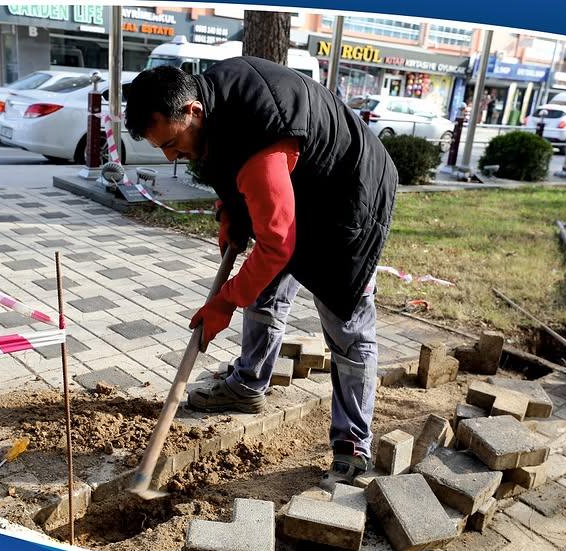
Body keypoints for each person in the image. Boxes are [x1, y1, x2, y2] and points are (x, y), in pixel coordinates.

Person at [124, 58, 398, 490]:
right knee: (265, 290)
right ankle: (249, 384)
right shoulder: (212, 108)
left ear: (193, 110)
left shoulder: (257, 139)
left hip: (348, 195)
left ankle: (353, 443)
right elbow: (230, 173)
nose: (170, 156)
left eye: (173, 143)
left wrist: (225, 302)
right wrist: (230, 214)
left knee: (348, 324)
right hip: (296, 182)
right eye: (161, 148)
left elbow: (276, 243)